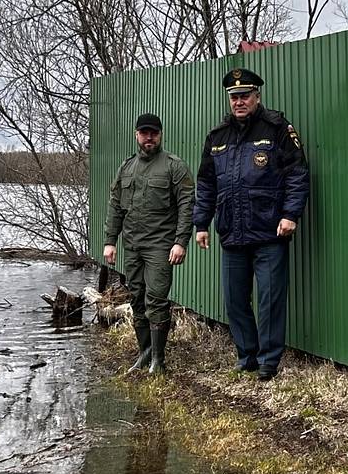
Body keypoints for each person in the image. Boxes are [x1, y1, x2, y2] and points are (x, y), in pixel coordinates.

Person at [193, 68, 310, 380]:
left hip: (269, 231)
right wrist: (201, 223)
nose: (239, 101)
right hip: (232, 232)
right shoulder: (217, 136)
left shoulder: (277, 128)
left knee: (270, 300)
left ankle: (269, 362)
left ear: (257, 96)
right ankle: (247, 356)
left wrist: (290, 215)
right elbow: (206, 184)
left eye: (245, 95)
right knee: (234, 301)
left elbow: (298, 173)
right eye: (234, 97)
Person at [103, 112, 194, 376]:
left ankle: (158, 360)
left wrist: (180, 242)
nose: (149, 137)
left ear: (161, 134)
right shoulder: (126, 167)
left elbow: (187, 205)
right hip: (132, 245)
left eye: (153, 133)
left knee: (156, 299)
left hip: (160, 246)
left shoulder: (174, 166)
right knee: (137, 298)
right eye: (144, 133)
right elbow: (115, 207)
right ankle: (144, 355)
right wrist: (110, 241)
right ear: (136, 135)